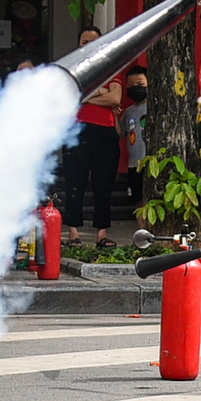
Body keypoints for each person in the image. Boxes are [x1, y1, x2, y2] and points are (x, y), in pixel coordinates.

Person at [56, 25, 123, 246]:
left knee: (104, 184)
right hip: (77, 130)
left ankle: (102, 234)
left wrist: (85, 95)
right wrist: (101, 91)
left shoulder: (112, 65)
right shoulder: (72, 68)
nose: (88, 45)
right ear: (78, 45)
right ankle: (73, 233)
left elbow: (115, 99)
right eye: (84, 41)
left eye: (92, 41)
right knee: (75, 182)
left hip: (105, 131)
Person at [116, 66, 151, 206]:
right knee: (138, 201)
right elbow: (121, 133)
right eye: (131, 85)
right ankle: (142, 227)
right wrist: (113, 116)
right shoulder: (128, 112)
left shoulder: (157, 107)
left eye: (140, 84)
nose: (136, 88)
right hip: (133, 164)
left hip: (151, 163)